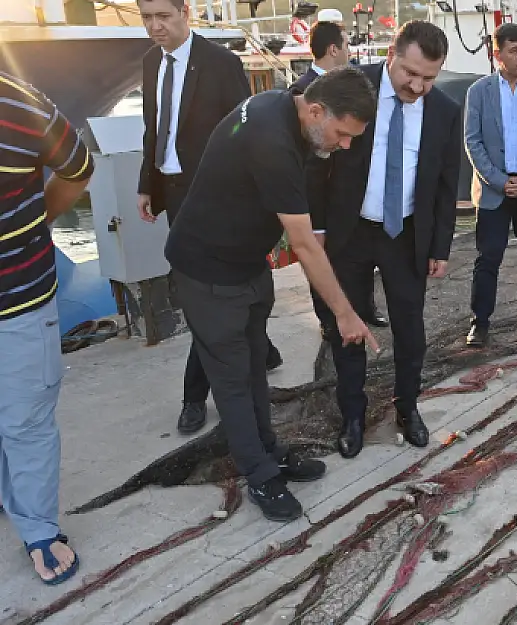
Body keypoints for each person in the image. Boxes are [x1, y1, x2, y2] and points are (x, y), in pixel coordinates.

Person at [164, 69, 377, 522]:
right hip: (206, 270)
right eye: (342, 134)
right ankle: (259, 474)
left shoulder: (284, 106)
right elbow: (302, 243)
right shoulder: (271, 139)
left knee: (255, 367)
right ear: (316, 111)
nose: (344, 146)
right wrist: (344, 312)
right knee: (234, 380)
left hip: (246, 263)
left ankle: (270, 451)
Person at [313, 20, 462, 456]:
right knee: (348, 328)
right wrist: (317, 227)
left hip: (406, 234)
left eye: (428, 78)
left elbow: (445, 185)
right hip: (350, 231)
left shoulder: (446, 112)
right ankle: (353, 416)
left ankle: (407, 406)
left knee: (410, 329)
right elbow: (319, 163)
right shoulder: (354, 89)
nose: (416, 86)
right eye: (409, 73)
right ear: (391, 55)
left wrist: (441, 247)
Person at [136, 0, 283, 435]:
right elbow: (153, 127)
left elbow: (245, 128)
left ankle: (194, 398)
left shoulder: (219, 63)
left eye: (163, 16)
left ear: (184, 12)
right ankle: (226, 377)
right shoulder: (150, 63)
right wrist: (148, 183)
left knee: (203, 299)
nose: (155, 26)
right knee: (200, 296)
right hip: (173, 193)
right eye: (147, 18)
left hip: (211, 196)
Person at [0, 72, 93, 585]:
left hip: (19, 299)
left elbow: (78, 168)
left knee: (26, 419)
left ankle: (38, 528)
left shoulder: (16, 101)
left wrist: (35, 224)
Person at [291, 19, 390, 334]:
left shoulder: (355, 90)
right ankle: (328, 319)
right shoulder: (301, 93)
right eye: (346, 44)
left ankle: (365, 308)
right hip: (322, 201)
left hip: (354, 200)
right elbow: (308, 167)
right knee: (323, 261)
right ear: (333, 48)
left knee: (358, 267)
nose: (349, 51)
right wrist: (315, 220)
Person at [464, 23, 517, 347]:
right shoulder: (479, 92)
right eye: (514, 50)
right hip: (493, 191)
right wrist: (499, 181)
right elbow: (473, 143)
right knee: (488, 258)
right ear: (496, 54)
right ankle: (480, 322)